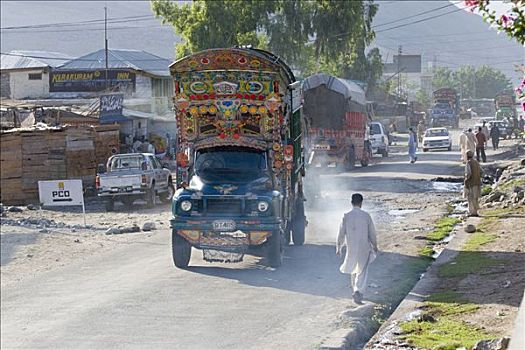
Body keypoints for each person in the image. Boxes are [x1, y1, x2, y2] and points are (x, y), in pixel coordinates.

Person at [336, 193, 378, 304]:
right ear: (361, 203)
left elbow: (341, 233)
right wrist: (375, 245)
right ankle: (357, 290)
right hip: (364, 247)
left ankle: (355, 289)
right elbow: (372, 233)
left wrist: (338, 246)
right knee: (362, 270)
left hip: (351, 247)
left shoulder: (346, 215)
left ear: (351, 203)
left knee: (353, 269)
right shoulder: (366, 216)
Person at [464, 151, 482, 216]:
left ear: (467, 156)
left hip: (471, 183)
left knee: (470, 198)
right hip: (477, 182)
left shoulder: (468, 163)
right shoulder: (476, 162)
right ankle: (475, 212)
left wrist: (466, 181)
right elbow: (481, 171)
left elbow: (468, 174)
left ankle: (472, 212)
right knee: (476, 198)